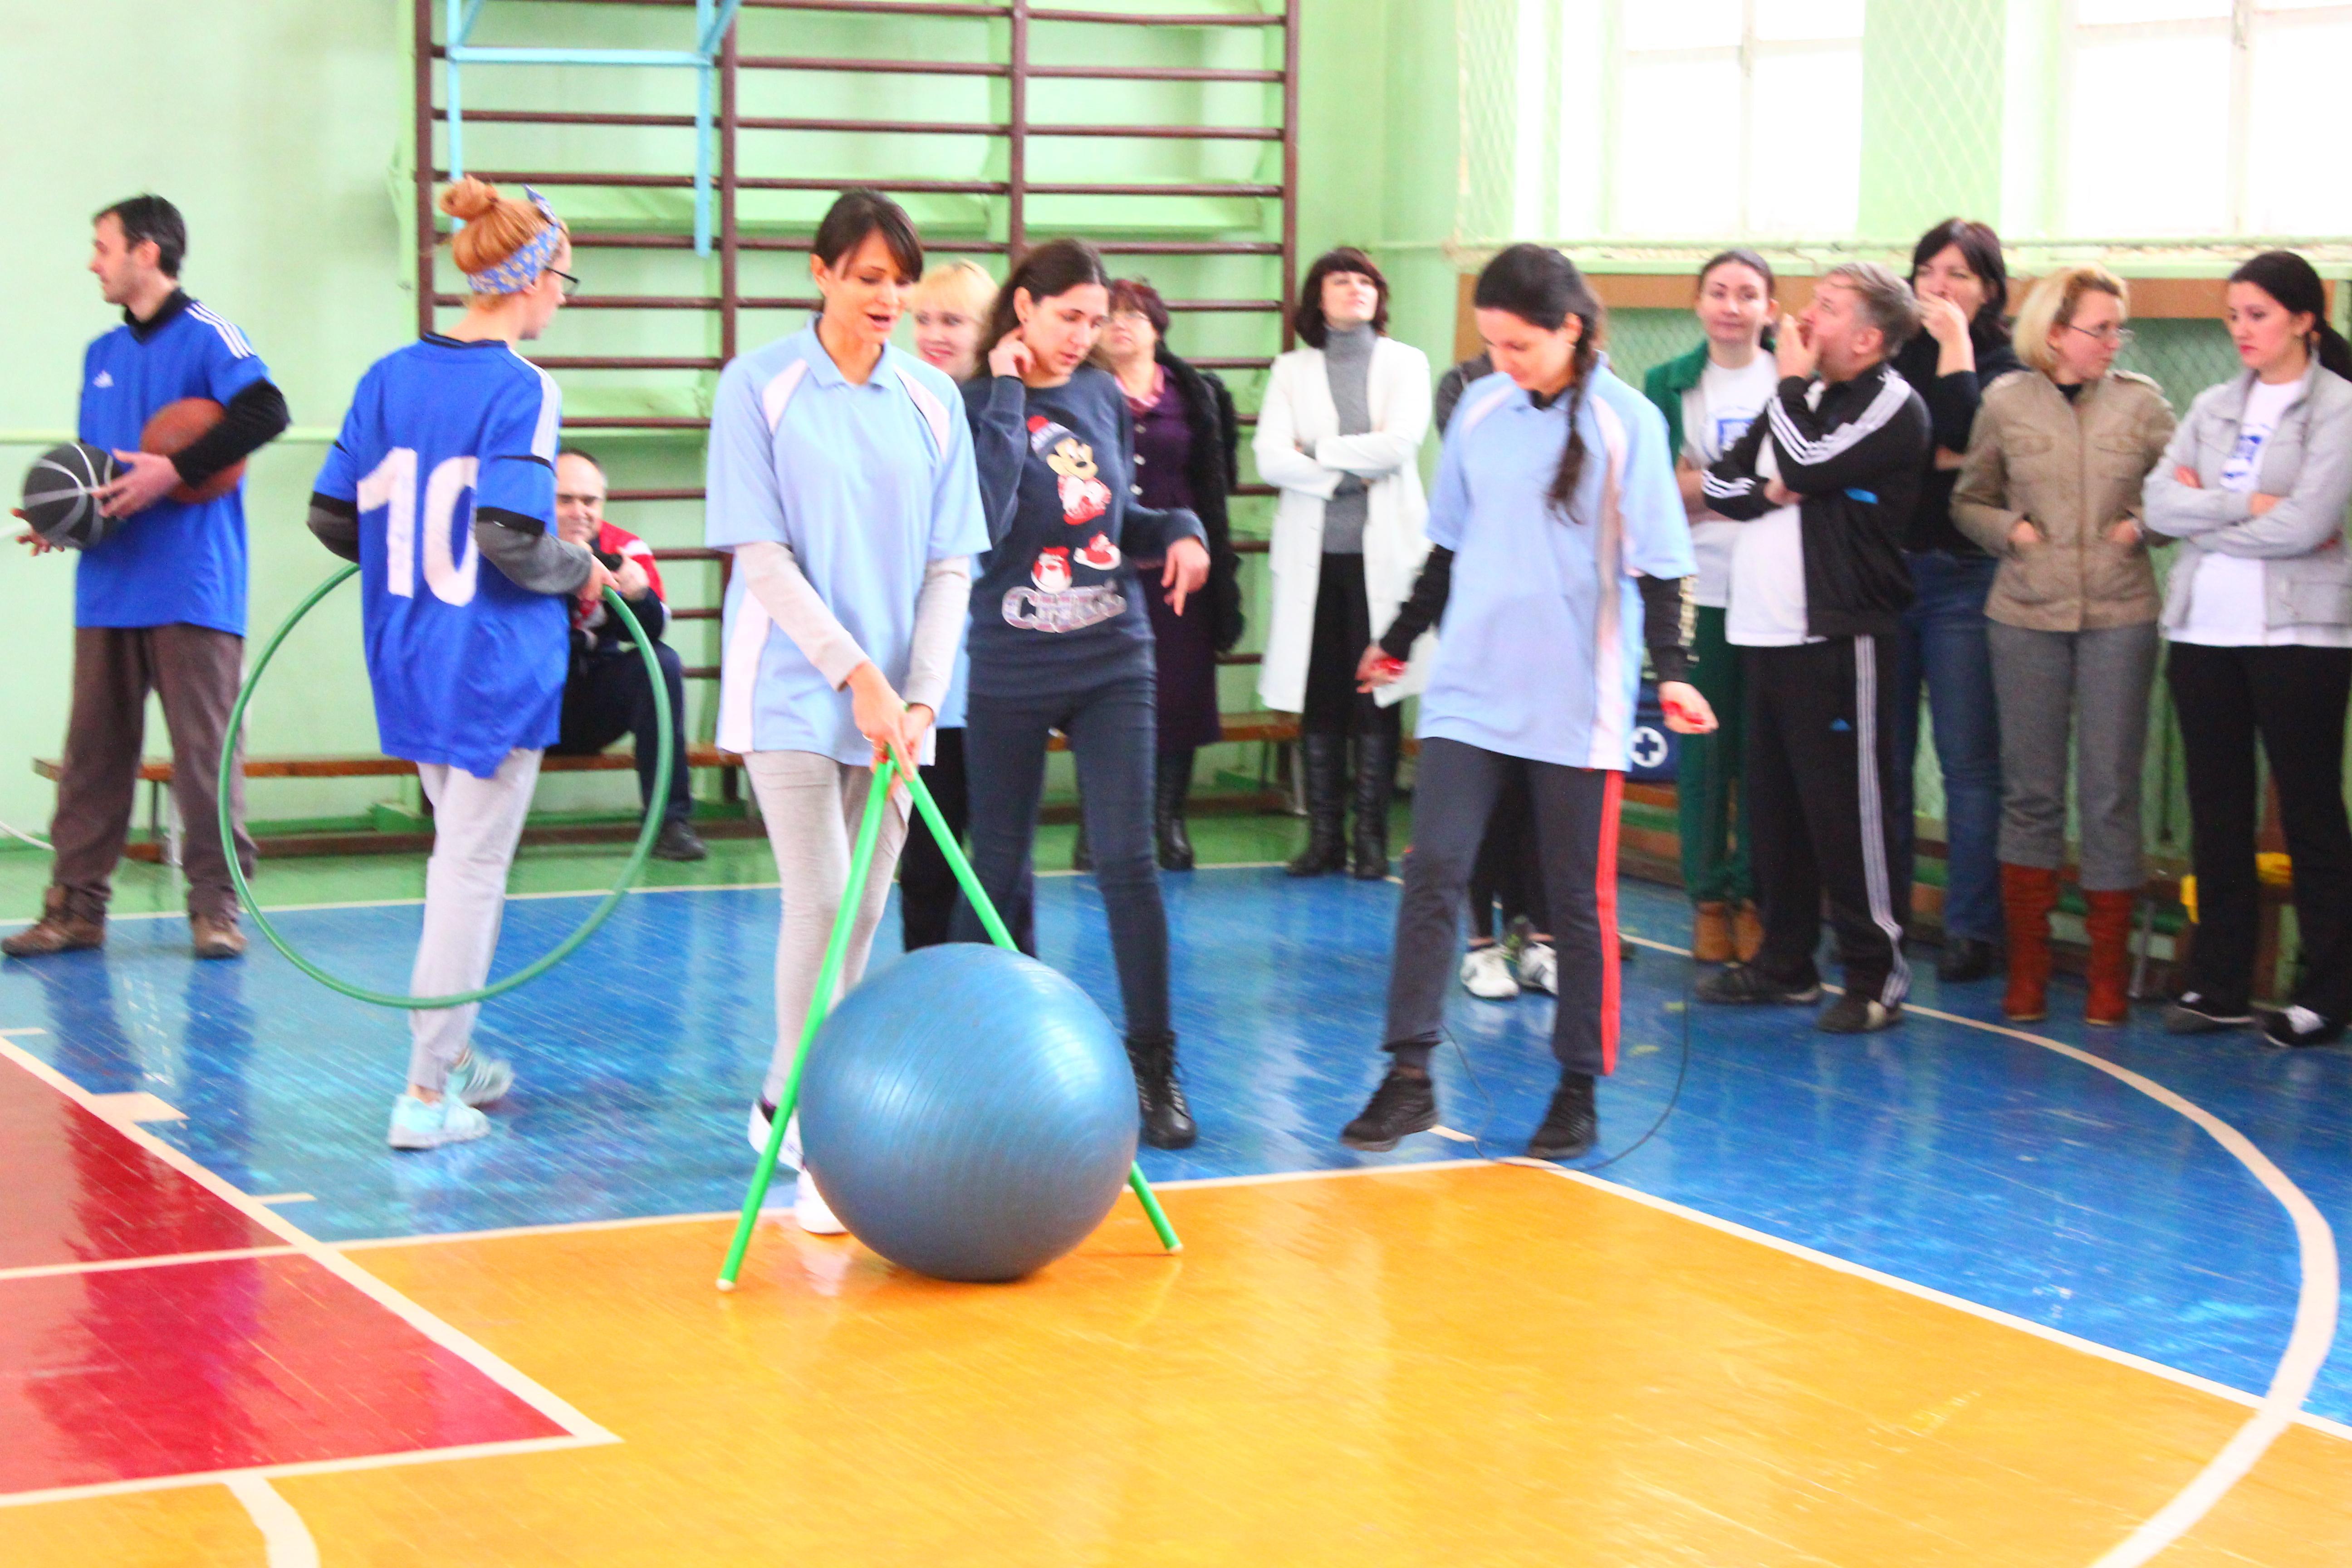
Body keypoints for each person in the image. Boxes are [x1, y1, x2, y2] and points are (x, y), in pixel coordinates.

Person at [1338, 245, 1713, 1161]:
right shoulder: (1479, 409)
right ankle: (1408, 1076)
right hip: (1470, 689)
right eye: (1491, 345)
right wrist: (1399, 637)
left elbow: (1664, 565)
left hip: (1574, 702)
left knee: (1575, 899)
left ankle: (1577, 1088)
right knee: (1434, 870)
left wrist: (1673, 670)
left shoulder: (1628, 422)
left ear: (1569, 330)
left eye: (1519, 346)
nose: (1501, 361)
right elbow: (1449, 545)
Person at [305, 179, 618, 1147]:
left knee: (456, 856)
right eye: (565, 277)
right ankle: (425, 1089)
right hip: (490, 666)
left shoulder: (387, 374)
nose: (564, 295)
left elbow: (330, 516)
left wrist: (404, 556)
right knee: (470, 874)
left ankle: (452, 1052)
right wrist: (585, 569)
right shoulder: (523, 387)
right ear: (530, 277)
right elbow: (512, 536)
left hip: (406, 651)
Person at [707, 191, 985, 1225]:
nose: (887, 298)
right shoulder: (758, 385)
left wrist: (918, 692)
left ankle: (782, 1096)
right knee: (822, 902)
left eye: (899, 281)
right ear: (820, 274)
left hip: (898, 705)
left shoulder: (932, 398)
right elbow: (761, 557)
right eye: (867, 277)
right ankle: (819, 1140)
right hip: (789, 684)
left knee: (865, 909)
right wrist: (855, 673)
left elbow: (949, 564)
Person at [954, 238, 1212, 1149]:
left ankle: (1154, 1067)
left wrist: (1179, 529)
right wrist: (1006, 392)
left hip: (1111, 654)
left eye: (1095, 321)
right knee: (996, 863)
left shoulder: (1103, 394)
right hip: (1011, 658)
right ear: (1023, 307)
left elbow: (1114, 519)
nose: (1082, 336)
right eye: (1068, 317)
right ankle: (973, 1055)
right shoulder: (971, 402)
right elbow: (983, 520)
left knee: (1126, 859)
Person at [5, 195, 290, 964]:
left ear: (147, 252)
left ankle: (215, 907)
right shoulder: (100, 354)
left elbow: (268, 411)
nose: (92, 263)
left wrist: (178, 469)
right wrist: (63, 519)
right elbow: (102, 471)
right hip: (108, 584)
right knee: (92, 756)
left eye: (102, 247)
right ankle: (76, 909)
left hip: (192, 584)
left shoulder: (210, 335)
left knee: (205, 756)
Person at [1694, 262, 1932, 1034]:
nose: (1802, 318)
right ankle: (1785, 961)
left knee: (1846, 812)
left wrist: (1789, 390)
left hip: (1836, 631)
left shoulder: (1889, 404)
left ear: (1866, 337)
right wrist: (1770, 488)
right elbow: (1723, 486)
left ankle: (1874, 975)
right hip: (1763, 629)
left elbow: (1803, 463)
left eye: (1825, 308)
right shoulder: (1803, 400)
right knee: (1775, 812)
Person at [1951, 266, 2174, 1026]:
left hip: (2120, 613)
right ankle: (2028, 974)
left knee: (2110, 790)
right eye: (2099, 328)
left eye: (2118, 329)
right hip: (2023, 614)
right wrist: (2007, 530)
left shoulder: (2143, 404)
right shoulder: (2004, 401)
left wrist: (2142, 526)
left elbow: (2184, 490)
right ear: (2054, 333)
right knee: (2030, 792)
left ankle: (2107, 981)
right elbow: (1969, 499)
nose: (2113, 342)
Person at [2144, 250, 2352, 1049]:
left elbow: (2308, 524)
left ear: (2303, 319)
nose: (2240, 329)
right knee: (2216, 809)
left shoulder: (2337, 407)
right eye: (2232, 315)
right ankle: (2219, 983)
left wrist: (2210, 515)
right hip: (2204, 630)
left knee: (2308, 811)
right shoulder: (2210, 404)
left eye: (2257, 315)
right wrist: (2249, 504)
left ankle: (2326, 993)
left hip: (2299, 637)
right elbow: (2157, 503)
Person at [1255, 247, 1434, 880]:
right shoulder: (1291, 370)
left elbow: (1399, 446)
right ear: (1319, 297)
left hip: (1382, 557)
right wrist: (1339, 478)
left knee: (1376, 691)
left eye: (1365, 281)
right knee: (1321, 694)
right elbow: (1269, 458)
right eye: (1341, 281)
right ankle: (1324, 839)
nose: (1355, 289)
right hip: (1316, 557)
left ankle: (1370, 842)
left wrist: (1316, 451)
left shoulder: (1406, 363)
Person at [1887, 219, 2023, 984]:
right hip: (1885, 576)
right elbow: (1886, 447)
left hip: (1964, 577)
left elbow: (1967, 436)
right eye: (1927, 273)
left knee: (1969, 762)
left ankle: (1972, 929)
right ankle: (1885, 920)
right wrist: (1931, 451)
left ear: (1989, 289)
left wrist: (1956, 349)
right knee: (1885, 758)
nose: (1938, 289)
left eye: (1958, 275)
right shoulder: (1890, 350)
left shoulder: (2005, 363)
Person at [1642, 249, 1780, 965]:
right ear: (1698, 304)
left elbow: (1795, 482)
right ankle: (1707, 899)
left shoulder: (1793, 378)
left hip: (1778, 593)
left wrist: (1705, 485)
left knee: (1762, 753)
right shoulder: (1668, 383)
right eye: (1719, 292)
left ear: (1770, 309)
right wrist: (1746, 489)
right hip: (1702, 589)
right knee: (1704, 751)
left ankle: (1753, 894)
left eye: (1748, 294)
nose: (1732, 306)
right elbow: (1658, 493)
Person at [1101, 277, 1244, 871]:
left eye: (1135, 315)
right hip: (1104, 569)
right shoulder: (1082, 392)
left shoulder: (1196, 394)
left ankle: (1169, 821)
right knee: (1107, 699)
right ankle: (1106, 824)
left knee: (1180, 694)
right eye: (1110, 315)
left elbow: (1219, 478)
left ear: (1158, 327)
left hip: (1181, 572)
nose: (1121, 325)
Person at [898, 258, 997, 952]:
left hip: (992, 678)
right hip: (925, 682)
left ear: (988, 330)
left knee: (998, 863)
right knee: (926, 860)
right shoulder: (899, 408)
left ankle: (1004, 994)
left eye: (953, 321)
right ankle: (926, 988)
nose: (934, 334)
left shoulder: (1007, 416)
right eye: (924, 319)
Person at [544, 448, 706, 862]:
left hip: (591, 701)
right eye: (565, 500)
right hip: (528, 704)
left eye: (590, 501)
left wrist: (638, 595)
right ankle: (475, 826)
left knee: (661, 663)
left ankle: (669, 822)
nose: (580, 512)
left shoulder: (626, 549)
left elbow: (653, 631)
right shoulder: (518, 547)